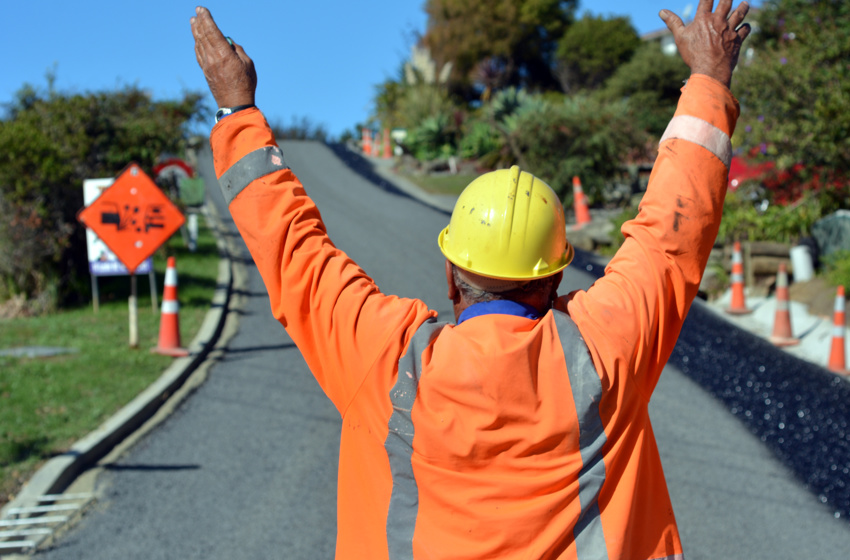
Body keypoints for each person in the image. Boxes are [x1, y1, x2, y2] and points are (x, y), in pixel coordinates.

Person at [191, 1, 749, 558]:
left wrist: (236, 109)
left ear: (451, 274)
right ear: (555, 279)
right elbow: (673, 231)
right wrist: (708, 77)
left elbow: (293, 250)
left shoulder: (384, 359)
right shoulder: (609, 345)